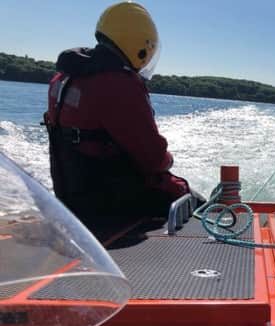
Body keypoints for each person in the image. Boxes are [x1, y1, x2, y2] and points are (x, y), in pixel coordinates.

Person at [43, 2, 191, 232]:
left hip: (71, 198)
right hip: (111, 202)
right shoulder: (119, 84)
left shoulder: (63, 77)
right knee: (190, 197)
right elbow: (152, 158)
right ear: (140, 46)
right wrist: (168, 160)